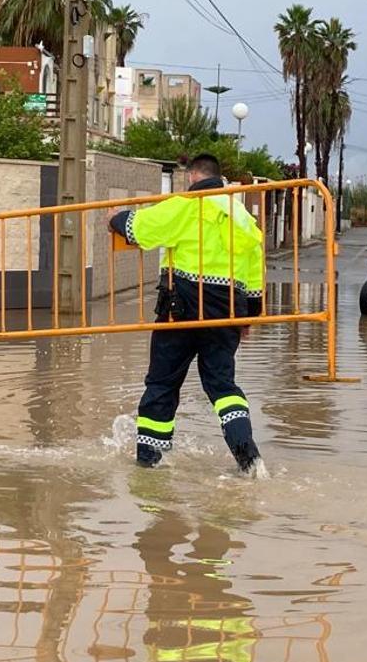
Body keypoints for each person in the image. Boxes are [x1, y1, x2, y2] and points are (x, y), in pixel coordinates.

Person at [108, 154, 265, 474]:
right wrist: (248, 317)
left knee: (162, 383)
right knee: (223, 387)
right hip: (226, 312)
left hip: (180, 310)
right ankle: (249, 460)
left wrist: (115, 217)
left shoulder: (186, 205)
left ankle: (149, 463)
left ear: (193, 177)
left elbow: (138, 228)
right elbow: (254, 275)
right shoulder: (243, 218)